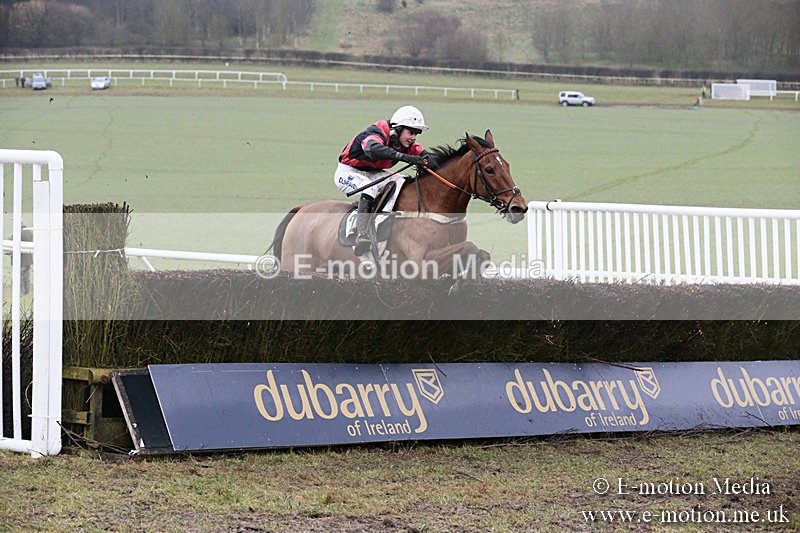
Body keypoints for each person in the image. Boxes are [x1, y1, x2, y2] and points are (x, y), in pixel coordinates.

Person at [334, 105, 436, 256]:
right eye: (410, 132)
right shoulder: (377, 131)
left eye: (416, 134)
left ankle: (383, 220)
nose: (413, 138)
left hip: (373, 173)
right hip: (348, 172)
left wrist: (430, 161)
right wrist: (405, 157)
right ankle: (361, 233)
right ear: (398, 129)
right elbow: (373, 148)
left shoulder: (407, 144)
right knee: (369, 188)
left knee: (401, 181)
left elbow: (428, 157)